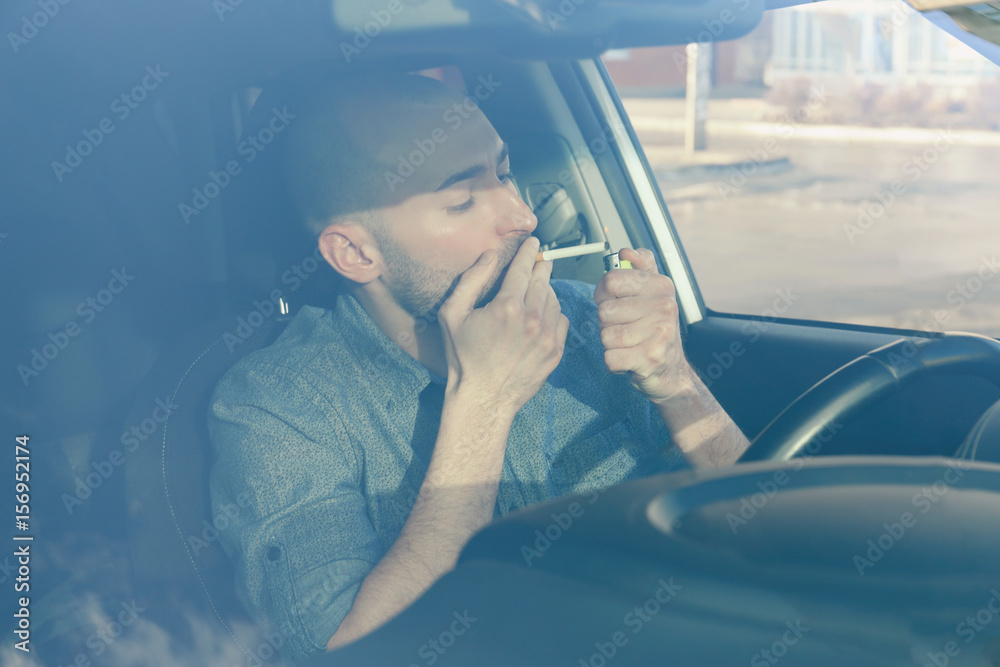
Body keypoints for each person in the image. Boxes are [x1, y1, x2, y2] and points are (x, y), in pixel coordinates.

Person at [208, 70, 750, 661]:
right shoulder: (277, 405)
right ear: (356, 252)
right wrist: (483, 405)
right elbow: (344, 651)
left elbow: (774, 536)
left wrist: (678, 385)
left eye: (506, 172)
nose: (523, 216)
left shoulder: (587, 320)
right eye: (462, 200)